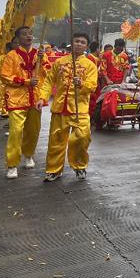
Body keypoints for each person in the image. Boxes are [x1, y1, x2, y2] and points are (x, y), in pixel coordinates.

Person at [37, 32, 98, 181]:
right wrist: (42, 97)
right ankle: (53, 169)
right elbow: (49, 81)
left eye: (82, 42)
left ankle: (79, 165)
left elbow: (93, 86)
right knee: (56, 140)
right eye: (76, 41)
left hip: (79, 109)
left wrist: (81, 84)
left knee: (82, 138)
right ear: (72, 43)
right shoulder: (60, 62)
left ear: (86, 46)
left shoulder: (90, 65)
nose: (79, 44)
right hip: (59, 107)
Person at [0, 27, 49, 179]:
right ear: (17, 38)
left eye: (30, 33)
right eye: (24, 34)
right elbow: (5, 76)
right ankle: (12, 164)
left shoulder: (40, 54)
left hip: (36, 98)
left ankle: (28, 155)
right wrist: (26, 81)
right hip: (17, 99)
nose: (28, 36)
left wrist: (42, 60)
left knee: (33, 130)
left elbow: (49, 73)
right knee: (15, 132)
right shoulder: (11, 56)